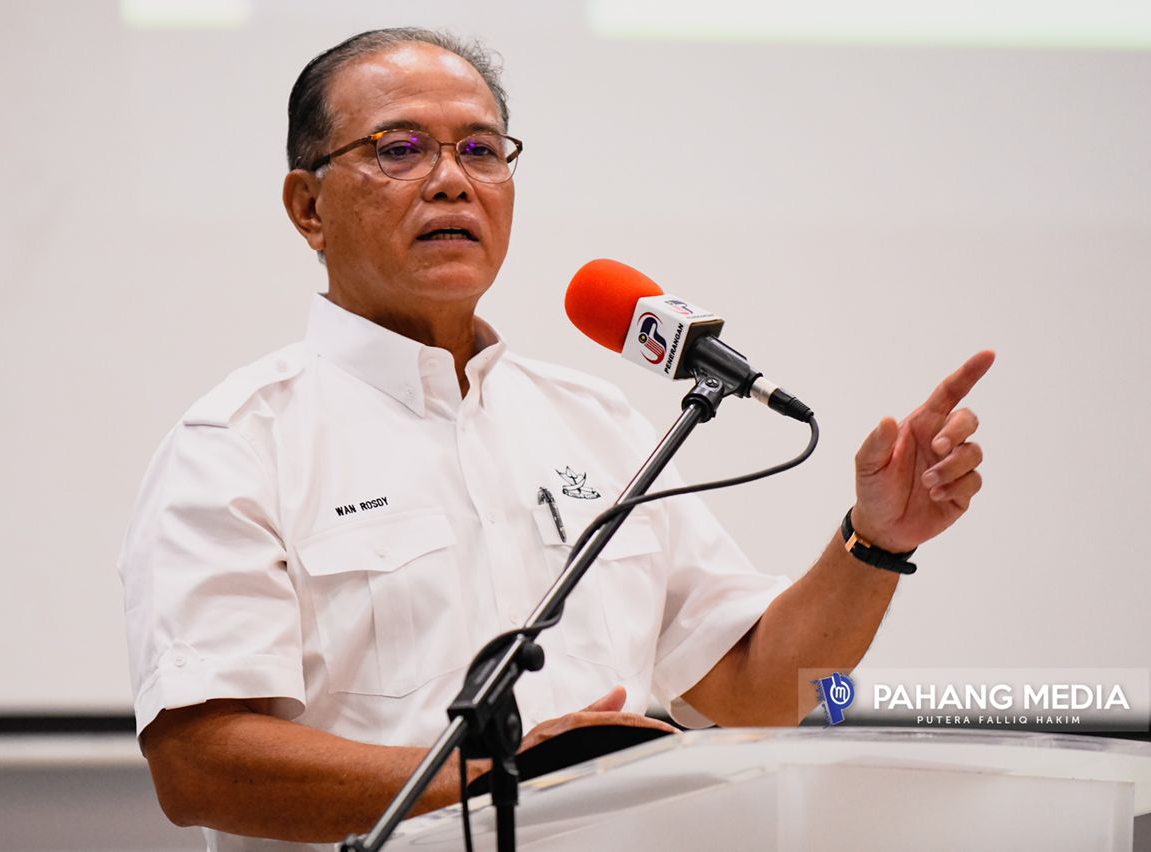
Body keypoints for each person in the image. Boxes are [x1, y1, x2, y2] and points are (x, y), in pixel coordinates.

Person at [118, 27, 993, 851]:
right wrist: (505, 782)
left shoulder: (593, 422)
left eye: (481, 150)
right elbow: (200, 763)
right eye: (400, 148)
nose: (452, 181)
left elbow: (755, 690)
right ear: (309, 207)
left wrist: (876, 543)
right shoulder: (237, 443)